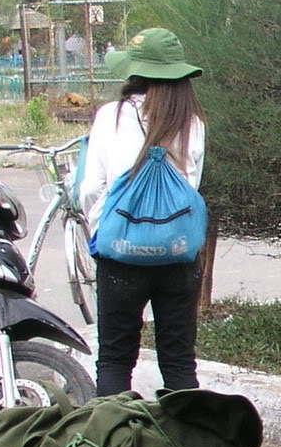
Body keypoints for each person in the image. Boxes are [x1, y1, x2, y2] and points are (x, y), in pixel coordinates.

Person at [76, 27, 207, 396]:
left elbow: (91, 188)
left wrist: (106, 231)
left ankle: (114, 445)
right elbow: (189, 188)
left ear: (135, 73)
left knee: (115, 359)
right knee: (179, 360)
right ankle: (187, 446)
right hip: (178, 255)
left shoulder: (111, 116)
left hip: (121, 257)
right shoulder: (192, 122)